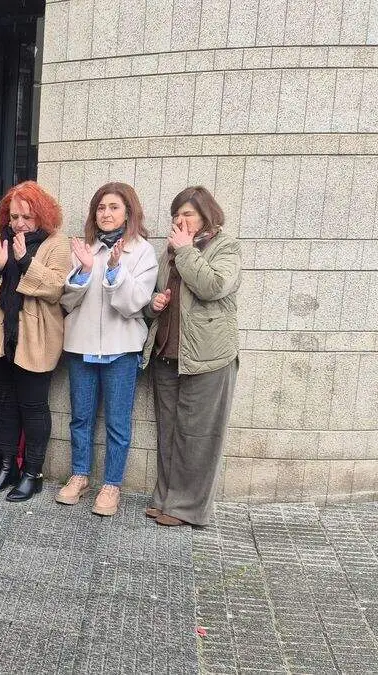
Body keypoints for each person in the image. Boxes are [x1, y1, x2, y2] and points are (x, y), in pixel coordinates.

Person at [143, 186, 241, 527]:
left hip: (208, 357)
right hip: (167, 354)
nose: (180, 220)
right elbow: (156, 295)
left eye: (188, 214)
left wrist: (185, 251)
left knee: (198, 437)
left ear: (206, 216)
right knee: (169, 432)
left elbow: (214, 286)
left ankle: (187, 508)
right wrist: (154, 304)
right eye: (176, 215)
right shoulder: (170, 252)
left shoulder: (225, 247)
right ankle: (165, 498)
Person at [57, 182, 157, 517]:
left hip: (121, 349)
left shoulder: (142, 252)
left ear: (128, 212)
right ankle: (79, 475)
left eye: (114, 207)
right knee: (80, 417)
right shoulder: (84, 248)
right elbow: (66, 302)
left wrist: (115, 270)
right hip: (81, 345)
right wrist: (85, 271)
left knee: (117, 422)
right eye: (101, 208)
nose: (106, 213)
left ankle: (112, 484)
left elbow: (134, 303)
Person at [0, 181, 71, 502]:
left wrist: (26, 260)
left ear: (42, 214)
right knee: (4, 404)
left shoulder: (56, 243)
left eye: (27, 217)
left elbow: (56, 286)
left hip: (35, 338)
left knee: (34, 407)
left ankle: (32, 473)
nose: (19, 223)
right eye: (14, 217)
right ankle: (7, 466)